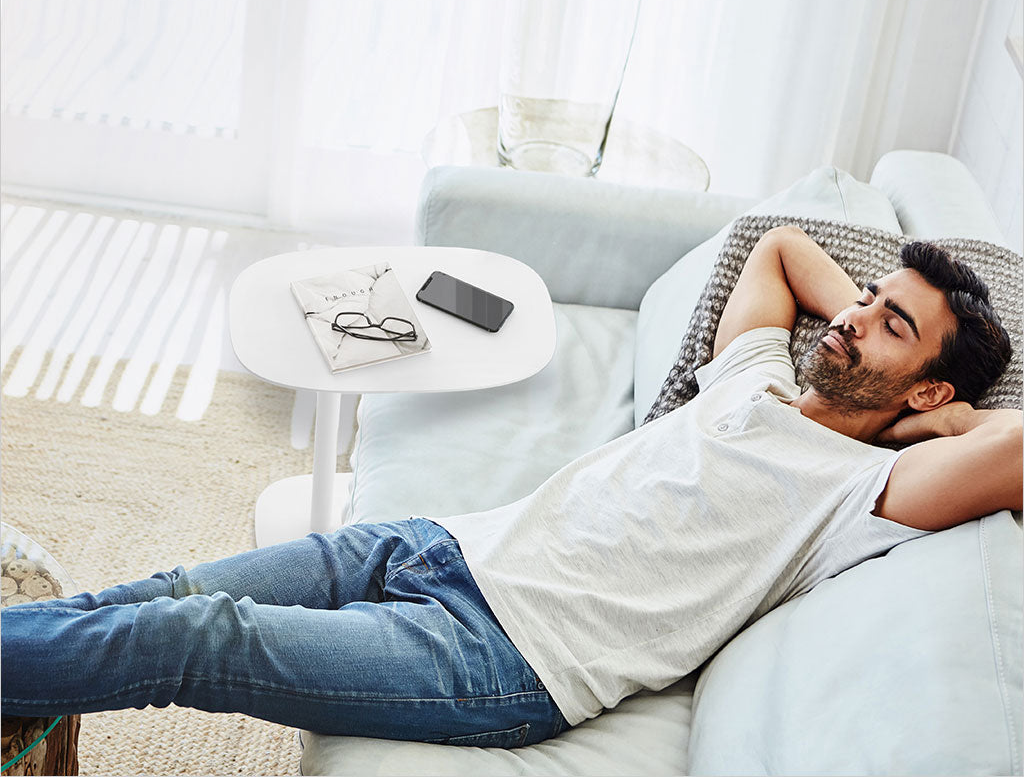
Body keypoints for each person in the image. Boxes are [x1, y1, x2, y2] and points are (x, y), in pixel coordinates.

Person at [2, 228, 1020, 748]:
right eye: (868, 299)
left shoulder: (865, 488)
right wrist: (871, 327)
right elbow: (778, 251)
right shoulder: (754, 375)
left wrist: (950, 421)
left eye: (891, 324)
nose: (850, 319)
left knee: (198, 636)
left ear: (931, 380)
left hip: (499, 659)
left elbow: (1012, 448)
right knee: (170, 591)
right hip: (438, 545)